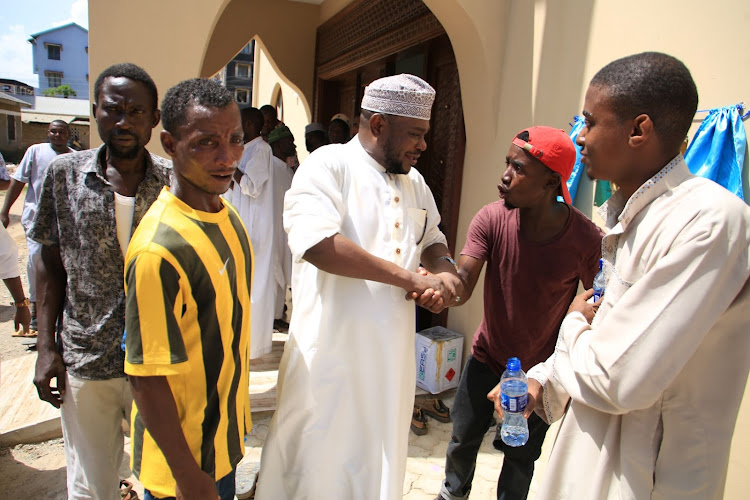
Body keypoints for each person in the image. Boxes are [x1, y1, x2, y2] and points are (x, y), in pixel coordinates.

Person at [514, 52, 750, 499]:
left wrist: (572, 323)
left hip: (647, 477)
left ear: (639, 130)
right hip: (587, 455)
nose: (580, 138)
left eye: (589, 122)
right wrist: (543, 379)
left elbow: (617, 379)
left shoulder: (709, 220)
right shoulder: (630, 215)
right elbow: (611, 339)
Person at [255, 74, 461, 500]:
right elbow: (318, 245)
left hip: (391, 361)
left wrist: (444, 271)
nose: (423, 146)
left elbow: (432, 238)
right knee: (314, 462)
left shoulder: (414, 182)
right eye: (416, 134)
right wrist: (408, 278)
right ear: (379, 124)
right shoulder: (328, 165)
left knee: (375, 460)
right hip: (331, 357)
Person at [434, 127, 603, 500]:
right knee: (462, 440)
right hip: (486, 359)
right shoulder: (491, 219)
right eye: (507, 163)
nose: (505, 175)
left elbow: (598, 306)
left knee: (520, 459)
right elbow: (463, 281)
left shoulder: (586, 239)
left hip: (538, 376)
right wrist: (441, 287)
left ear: (550, 182)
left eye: (519, 168)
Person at [29, 63, 171, 500]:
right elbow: (48, 263)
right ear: (95, 112)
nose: (124, 121)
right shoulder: (64, 175)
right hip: (86, 355)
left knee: (162, 479)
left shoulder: (175, 181)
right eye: (113, 110)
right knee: (91, 483)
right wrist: (46, 346)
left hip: (159, 358)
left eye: (136, 111)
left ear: (155, 118)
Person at [124, 77, 252, 500]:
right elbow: (147, 378)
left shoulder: (229, 216)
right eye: (205, 143)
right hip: (183, 470)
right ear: (169, 143)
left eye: (235, 139)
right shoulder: (158, 250)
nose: (227, 156)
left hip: (223, 447)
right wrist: (188, 477)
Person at [1, 120, 73, 335]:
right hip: (36, 219)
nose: (57, 135)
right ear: (47, 132)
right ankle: (34, 311)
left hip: (64, 223)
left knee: (62, 267)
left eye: (62, 132)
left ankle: (59, 315)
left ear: (69, 135)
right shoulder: (35, 152)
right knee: (34, 262)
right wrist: (5, 211)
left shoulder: (73, 157)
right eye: (53, 131)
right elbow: (18, 181)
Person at [223, 106, 275, 358]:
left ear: (251, 125)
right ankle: (239, 339)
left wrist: (231, 166)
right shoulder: (244, 150)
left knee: (254, 284)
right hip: (240, 222)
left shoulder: (262, 149)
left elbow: (252, 186)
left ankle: (252, 346)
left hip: (255, 227)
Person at [268, 126, 296, 328]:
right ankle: (272, 316)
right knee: (272, 272)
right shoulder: (270, 167)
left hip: (284, 229)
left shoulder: (286, 169)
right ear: (277, 144)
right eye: (289, 142)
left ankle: (278, 314)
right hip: (271, 228)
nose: (294, 146)